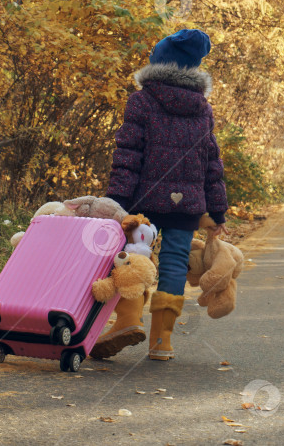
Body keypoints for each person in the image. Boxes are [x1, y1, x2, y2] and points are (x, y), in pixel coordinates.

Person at [91, 29, 229, 361]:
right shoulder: (203, 108)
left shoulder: (142, 101)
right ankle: (161, 343)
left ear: (159, 62)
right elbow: (212, 163)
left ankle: (128, 320)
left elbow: (128, 156)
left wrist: (117, 202)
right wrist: (217, 213)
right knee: (174, 267)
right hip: (187, 207)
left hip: (144, 204)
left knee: (135, 258)